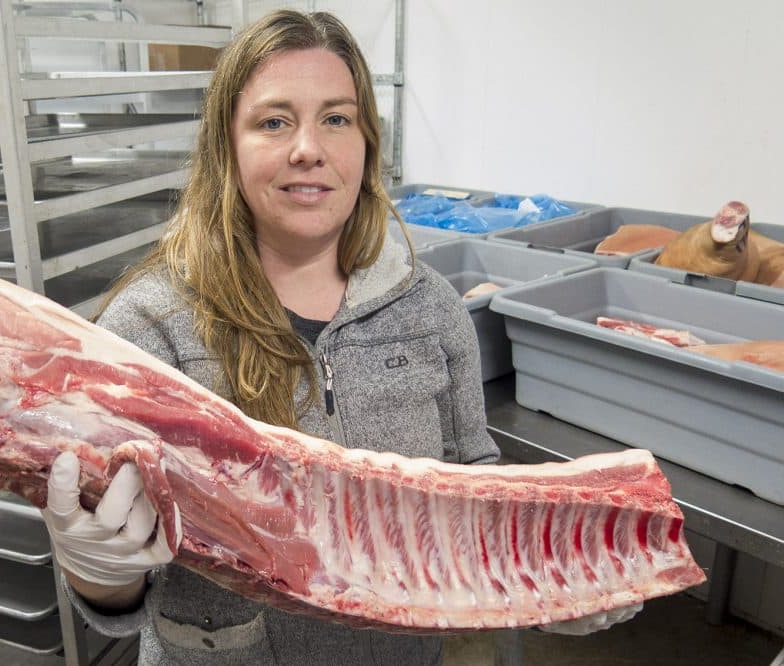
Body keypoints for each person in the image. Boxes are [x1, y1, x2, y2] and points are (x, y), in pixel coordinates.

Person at [41, 9, 639, 664]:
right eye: (273, 121)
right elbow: (123, 586)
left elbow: (471, 476)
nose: (309, 147)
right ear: (226, 149)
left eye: (336, 118)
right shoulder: (148, 327)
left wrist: (544, 571)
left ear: (365, 143)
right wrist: (97, 569)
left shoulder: (430, 307)